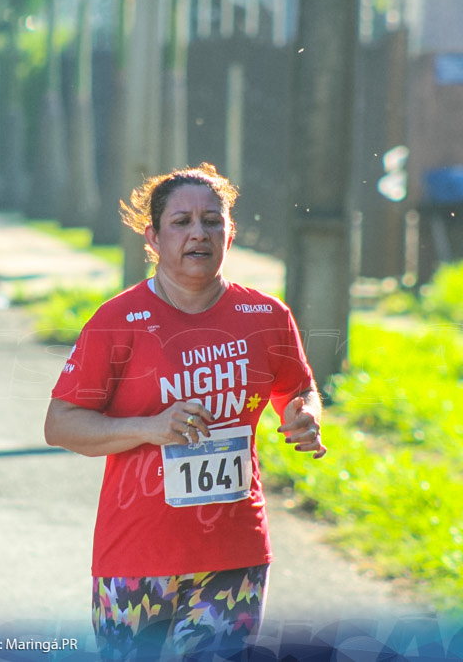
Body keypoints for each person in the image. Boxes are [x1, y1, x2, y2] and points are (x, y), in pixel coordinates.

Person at [44, 163, 327, 660]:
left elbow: (297, 387)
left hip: (234, 552)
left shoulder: (264, 316)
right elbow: (60, 423)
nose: (199, 232)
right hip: (135, 553)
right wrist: (151, 428)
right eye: (182, 222)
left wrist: (304, 415)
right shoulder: (117, 320)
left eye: (212, 221)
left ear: (230, 233)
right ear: (152, 237)